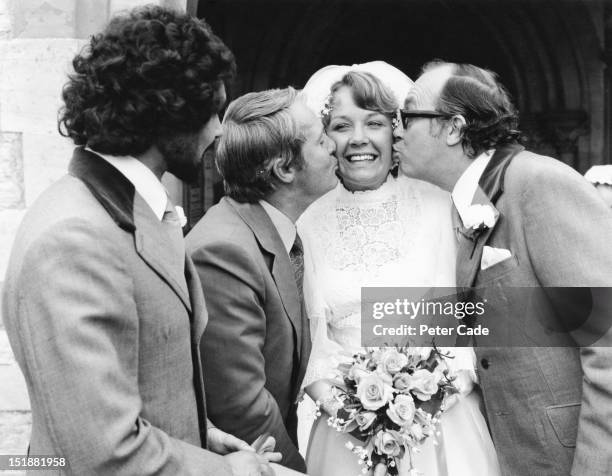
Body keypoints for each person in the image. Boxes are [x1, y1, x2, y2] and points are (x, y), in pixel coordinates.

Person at [1, 6, 276, 475]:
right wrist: (233, 472)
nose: (218, 129)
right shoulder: (75, 239)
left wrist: (202, 435)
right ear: (169, 110)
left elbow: (143, 378)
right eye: (212, 110)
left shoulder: (130, 211)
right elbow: (105, 453)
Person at [393, 60, 612, 475]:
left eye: (407, 115)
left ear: (454, 128)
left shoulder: (539, 184)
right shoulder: (469, 202)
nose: (396, 129)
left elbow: (606, 341)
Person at [298, 62, 500, 476]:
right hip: (347, 432)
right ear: (324, 138)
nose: (358, 139)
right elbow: (312, 345)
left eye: (374, 123)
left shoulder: (439, 204)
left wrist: (428, 402)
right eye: (340, 126)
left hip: (442, 421)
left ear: (396, 132)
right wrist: (355, 414)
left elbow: (462, 319)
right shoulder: (306, 221)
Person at [185, 87, 338, 473]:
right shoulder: (224, 252)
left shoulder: (272, 232)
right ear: (285, 168)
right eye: (321, 139)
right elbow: (242, 406)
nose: (335, 145)